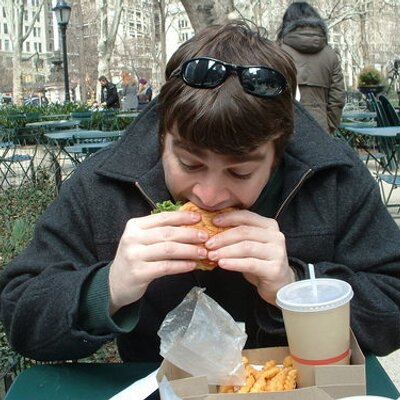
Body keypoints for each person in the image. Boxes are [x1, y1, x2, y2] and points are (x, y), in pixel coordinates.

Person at [1, 21, 400, 364]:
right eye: (189, 164)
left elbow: (393, 307)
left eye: (240, 171)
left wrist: (296, 287)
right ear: (162, 139)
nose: (208, 195)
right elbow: (20, 313)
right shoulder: (106, 184)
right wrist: (109, 287)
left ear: (278, 154)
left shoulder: (332, 176)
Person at [277, 2, 345, 135]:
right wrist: (329, 127)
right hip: (320, 127)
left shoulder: (277, 53)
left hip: (285, 130)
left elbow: (268, 97)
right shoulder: (330, 55)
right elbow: (337, 98)